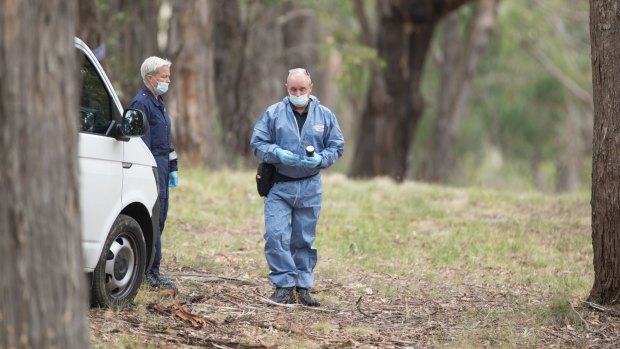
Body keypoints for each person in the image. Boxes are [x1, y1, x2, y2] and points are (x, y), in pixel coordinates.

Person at [250, 68, 345, 306]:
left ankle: (302, 286)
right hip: (279, 186)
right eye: (293, 89)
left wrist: (321, 159)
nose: (298, 93)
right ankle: (283, 285)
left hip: (310, 186)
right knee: (276, 236)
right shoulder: (273, 114)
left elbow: (337, 146)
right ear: (287, 88)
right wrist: (277, 153)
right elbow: (257, 143)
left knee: (304, 239)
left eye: (302, 89)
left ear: (311, 88)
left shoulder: (325, 116)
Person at [128, 56, 179, 292]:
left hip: (163, 166)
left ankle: (153, 270)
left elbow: (165, 141)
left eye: (168, 76)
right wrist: (151, 173)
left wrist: (173, 168)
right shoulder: (141, 103)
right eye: (164, 76)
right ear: (150, 78)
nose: (168, 80)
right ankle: (148, 272)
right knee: (153, 220)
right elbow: (142, 145)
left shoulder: (159, 101)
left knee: (161, 220)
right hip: (152, 168)